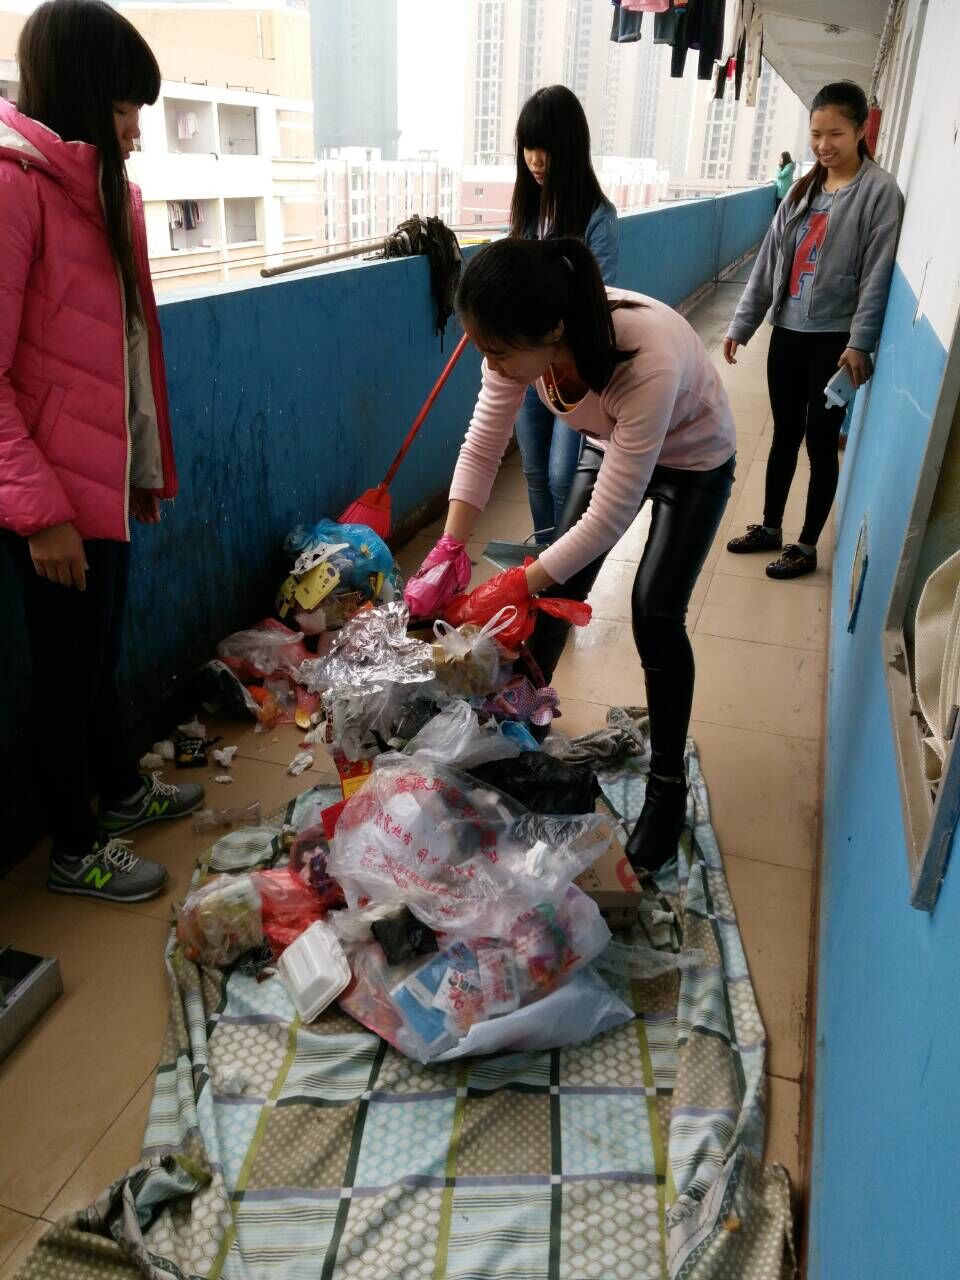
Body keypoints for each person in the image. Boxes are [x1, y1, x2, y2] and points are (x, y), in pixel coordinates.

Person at [408, 237, 736, 871]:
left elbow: (607, 519)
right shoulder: (515, 342)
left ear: (553, 330)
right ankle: (525, 723)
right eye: (484, 350)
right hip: (612, 440)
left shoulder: (646, 357)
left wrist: (513, 584)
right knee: (558, 589)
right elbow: (483, 443)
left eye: (498, 353)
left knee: (655, 611)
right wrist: (449, 545)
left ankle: (667, 788)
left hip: (694, 458)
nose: (491, 365)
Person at [0, 0, 202, 902]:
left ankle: (118, 791)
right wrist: (41, 515)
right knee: (64, 679)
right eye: (125, 107)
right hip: (49, 500)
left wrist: (138, 469)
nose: (135, 129)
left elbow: (122, 346)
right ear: (84, 93)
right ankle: (74, 848)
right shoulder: (14, 188)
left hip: (103, 485)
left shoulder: (102, 195)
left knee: (98, 661)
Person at [724, 82, 904, 579]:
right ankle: (770, 527)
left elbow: (877, 275)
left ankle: (805, 546)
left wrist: (859, 343)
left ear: (861, 130)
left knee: (821, 444)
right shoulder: (803, 190)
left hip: (834, 343)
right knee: (784, 434)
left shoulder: (879, 193)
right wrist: (743, 323)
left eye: (836, 134)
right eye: (816, 134)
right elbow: (768, 262)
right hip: (787, 334)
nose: (824, 145)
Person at [510, 85, 620, 547]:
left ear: (571, 148)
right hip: (530, 368)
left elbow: (598, 299)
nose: (535, 159)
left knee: (562, 476)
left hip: (571, 373)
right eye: (528, 147)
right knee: (535, 471)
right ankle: (543, 558)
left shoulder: (597, 217)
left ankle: (562, 568)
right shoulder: (527, 212)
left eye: (547, 148)